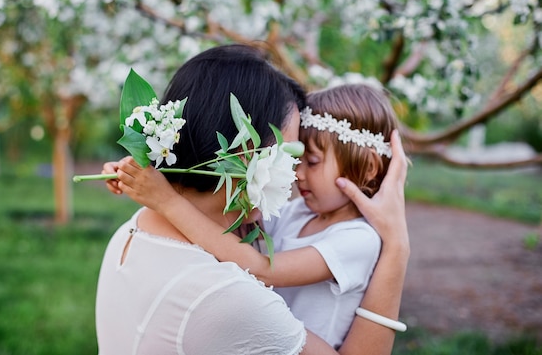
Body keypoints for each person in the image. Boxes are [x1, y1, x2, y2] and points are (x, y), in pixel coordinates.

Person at [98, 44, 410, 355]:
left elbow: (252, 253)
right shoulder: (225, 297)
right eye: (290, 155)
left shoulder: (132, 231)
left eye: (308, 161)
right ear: (245, 152)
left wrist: (159, 189)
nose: (294, 175)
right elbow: (254, 261)